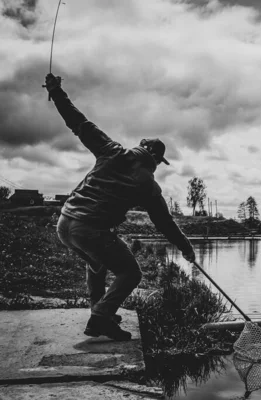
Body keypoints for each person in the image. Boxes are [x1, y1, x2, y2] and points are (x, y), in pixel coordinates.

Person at [44, 73, 196, 341]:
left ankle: (100, 311)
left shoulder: (111, 150)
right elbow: (165, 223)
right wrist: (186, 247)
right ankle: (100, 317)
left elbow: (78, 122)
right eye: (159, 162)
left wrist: (56, 91)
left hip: (65, 223)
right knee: (130, 272)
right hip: (90, 229)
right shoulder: (148, 184)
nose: (158, 166)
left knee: (97, 263)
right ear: (153, 157)